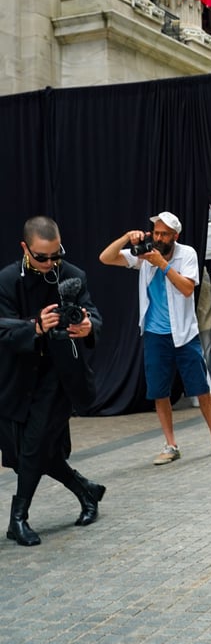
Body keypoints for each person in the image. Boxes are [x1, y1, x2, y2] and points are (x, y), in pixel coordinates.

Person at [99, 213, 211, 463]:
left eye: (164, 234)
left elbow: (187, 289)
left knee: (201, 388)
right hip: (155, 334)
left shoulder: (187, 254)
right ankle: (171, 445)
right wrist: (125, 238)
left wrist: (162, 264)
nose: (159, 237)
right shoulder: (145, 254)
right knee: (159, 391)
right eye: (156, 232)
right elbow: (106, 258)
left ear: (175, 236)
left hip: (184, 333)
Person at [0, 216, 104, 545]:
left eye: (55, 255)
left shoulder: (73, 275)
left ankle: (18, 519)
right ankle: (86, 490)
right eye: (41, 256)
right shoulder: (6, 280)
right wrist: (34, 327)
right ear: (25, 249)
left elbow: (93, 315)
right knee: (24, 454)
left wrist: (89, 327)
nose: (49, 263)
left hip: (60, 378)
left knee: (32, 448)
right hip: (16, 379)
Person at [192, 266, 211, 408]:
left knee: (197, 358)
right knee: (205, 357)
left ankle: (198, 395)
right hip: (208, 321)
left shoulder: (186, 275)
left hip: (192, 322)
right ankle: (205, 394)